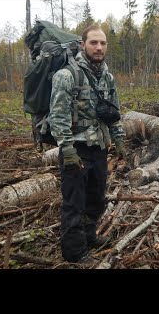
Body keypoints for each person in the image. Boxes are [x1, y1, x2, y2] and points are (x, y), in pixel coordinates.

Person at [49, 24, 126, 265]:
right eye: (94, 42)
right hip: (76, 151)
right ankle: (74, 253)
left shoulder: (107, 76)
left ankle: (89, 237)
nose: (99, 47)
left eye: (103, 43)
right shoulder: (66, 75)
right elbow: (58, 116)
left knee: (96, 198)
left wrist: (119, 139)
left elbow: (114, 113)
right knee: (74, 203)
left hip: (99, 149)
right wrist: (68, 149)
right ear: (83, 45)